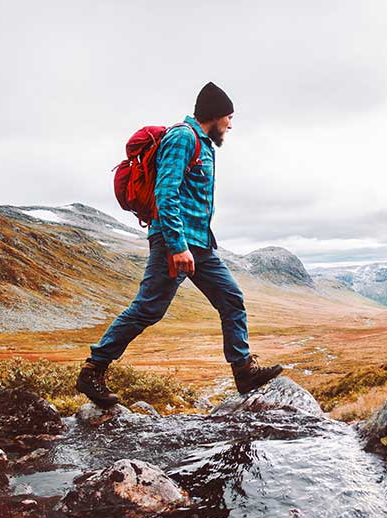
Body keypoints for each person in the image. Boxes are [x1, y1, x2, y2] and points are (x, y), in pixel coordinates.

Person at [76, 82, 282, 407]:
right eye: (229, 117)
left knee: (231, 298)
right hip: (175, 241)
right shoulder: (182, 137)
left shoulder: (205, 145)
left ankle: (243, 371)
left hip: (200, 244)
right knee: (148, 308)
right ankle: (93, 370)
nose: (231, 124)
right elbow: (165, 193)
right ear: (214, 116)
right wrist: (177, 245)